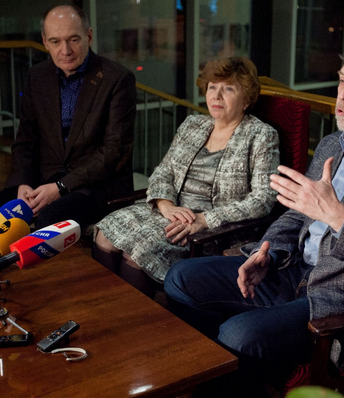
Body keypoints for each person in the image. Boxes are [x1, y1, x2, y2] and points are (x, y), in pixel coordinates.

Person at [164, 40, 344, 395]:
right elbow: (296, 214)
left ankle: (237, 374)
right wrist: (267, 253)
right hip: (293, 271)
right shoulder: (334, 143)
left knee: (238, 334)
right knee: (180, 278)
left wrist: (338, 215)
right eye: (342, 80)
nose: (342, 95)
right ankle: (233, 376)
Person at [94, 57, 280, 298]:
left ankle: (132, 317)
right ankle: (104, 307)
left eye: (228, 89)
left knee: (139, 251)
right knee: (105, 233)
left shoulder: (261, 135)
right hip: (172, 212)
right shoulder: (193, 125)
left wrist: (205, 220)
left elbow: (263, 199)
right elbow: (164, 172)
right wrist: (165, 205)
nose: (216, 96)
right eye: (212, 87)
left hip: (213, 229)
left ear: (246, 100)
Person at [0, 5, 136, 242]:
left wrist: (61, 187)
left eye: (73, 39)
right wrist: (22, 182)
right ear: (44, 42)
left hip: (94, 186)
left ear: (89, 36)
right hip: (42, 182)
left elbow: (114, 152)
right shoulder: (37, 76)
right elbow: (25, 140)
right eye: (55, 41)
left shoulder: (117, 79)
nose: (65, 50)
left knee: (45, 224)